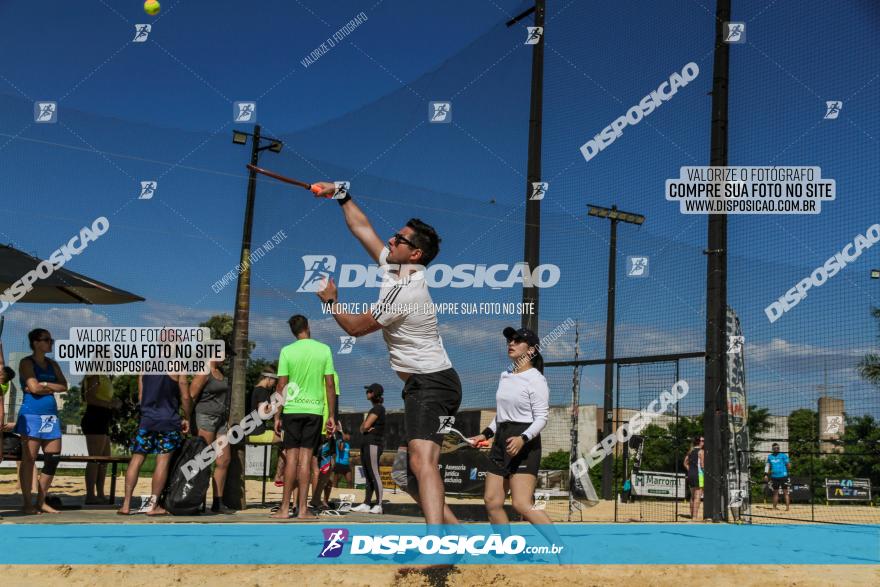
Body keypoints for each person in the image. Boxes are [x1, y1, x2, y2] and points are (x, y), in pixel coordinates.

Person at [313, 183, 461, 525]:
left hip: (431, 383)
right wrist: (341, 195)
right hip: (427, 384)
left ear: (415, 255)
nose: (391, 240)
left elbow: (355, 328)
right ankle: (458, 536)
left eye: (400, 239)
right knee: (410, 475)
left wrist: (332, 302)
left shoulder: (405, 290)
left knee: (423, 465)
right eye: (395, 235)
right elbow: (362, 228)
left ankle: (437, 545)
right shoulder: (396, 269)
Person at [468, 328, 555, 532]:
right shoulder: (505, 375)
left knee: (521, 504)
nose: (511, 343)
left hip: (525, 443)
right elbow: (501, 415)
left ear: (531, 350)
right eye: (510, 340)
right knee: (492, 500)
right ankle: (506, 549)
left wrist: (523, 438)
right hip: (501, 440)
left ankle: (563, 550)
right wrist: (485, 434)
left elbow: (542, 417)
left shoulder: (536, 379)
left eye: (518, 340)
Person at [271, 315, 336, 520]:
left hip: (291, 410)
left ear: (293, 331)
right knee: (306, 460)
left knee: (291, 459)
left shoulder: (287, 351)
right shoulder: (323, 349)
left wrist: (277, 415)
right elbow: (330, 384)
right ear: (308, 326)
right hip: (314, 411)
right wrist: (332, 415)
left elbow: (281, 385)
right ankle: (302, 510)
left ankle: (283, 509)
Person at [117, 372, 192, 515]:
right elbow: (186, 396)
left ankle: (125, 505)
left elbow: (141, 397)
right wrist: (187, 417)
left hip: (147, 420)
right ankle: (153, 506)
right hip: (168, 420)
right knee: (162, 462)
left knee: (136, 459)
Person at [16, 329, 67, 514]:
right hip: (31, 415)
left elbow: (64, 386)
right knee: (28, 459)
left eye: (50, 339)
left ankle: (41, 500)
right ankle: (27, 502)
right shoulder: (26, 362)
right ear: (36, 343)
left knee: (52, 458)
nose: (50, 343)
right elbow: (32, 387)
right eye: (46, 340)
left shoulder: (52, 364)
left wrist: (44, 385)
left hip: (50, 416)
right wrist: (44, 387)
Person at [190, 356, 234, 514]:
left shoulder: (221, 372)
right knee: (204, 460)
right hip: (205, 417)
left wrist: (227, 420)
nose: (225, 356)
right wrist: (187, 419)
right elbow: (191, 395)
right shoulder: (204, 371)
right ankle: (194, 501)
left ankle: (218, 502)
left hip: (221, 420)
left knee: (224, 460)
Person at [81, 374, 119, 505]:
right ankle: (90, 495)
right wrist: (111, 404)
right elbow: (89, 398)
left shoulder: (106, 377)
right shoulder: (94, 375)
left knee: (104, 459)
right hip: (94, 417)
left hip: (103, 418)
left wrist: (113, 403)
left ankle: (100, 494)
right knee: (95, 458)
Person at [352, 383, 386, 514]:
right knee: (367, 474)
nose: (367, 393)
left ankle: (379, 504)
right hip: (366, 443)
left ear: (373, 393)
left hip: (373, 444)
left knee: (374, 473)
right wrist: (364, 427)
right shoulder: (374, 409)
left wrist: (365, 427)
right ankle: (366, 504)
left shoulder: (378, 409)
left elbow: (365, 427)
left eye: (369, 391)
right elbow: (362, 428)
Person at [249, 368, 285, 487]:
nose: (274, 384)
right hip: (257, 433)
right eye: (274, 381)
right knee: (288, 441)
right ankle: (280, 476)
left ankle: (280, 476)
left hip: (248, 431)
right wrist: (277, 404)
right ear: (269, 378)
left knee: (283, 442)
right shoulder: (263, 391)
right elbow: (263, 413)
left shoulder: (252, 390)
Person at [310, 430, 335, 510]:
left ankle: (322, 501)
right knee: (317, 472)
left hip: (325, 436)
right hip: (321, 434)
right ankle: (315, 500)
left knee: (328, 471)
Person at [765, 442, 791, 511]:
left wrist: (786, 472)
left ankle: (787, 508)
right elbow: (767, 466)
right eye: (775, 448)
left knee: (785, 492)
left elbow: (788, 465)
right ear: (773, 449)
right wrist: (766, 475)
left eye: (778, 448)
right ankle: (774, 507)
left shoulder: (783, 455)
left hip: (783, 476)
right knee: (775, 492)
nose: (777, 449)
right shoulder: (770, 456)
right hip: (774, 477)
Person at [683, 436, 704, 521]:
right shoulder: (701, 451)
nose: (703, 442)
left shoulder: (690, 451)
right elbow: (702, 466)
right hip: (699, 475)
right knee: (697, 496)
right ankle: (694, 517)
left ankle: (692, 515)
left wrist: (690, 470)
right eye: (702, 441)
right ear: (699, 442)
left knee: (692, 496)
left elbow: (685, 463)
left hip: (690, 474)